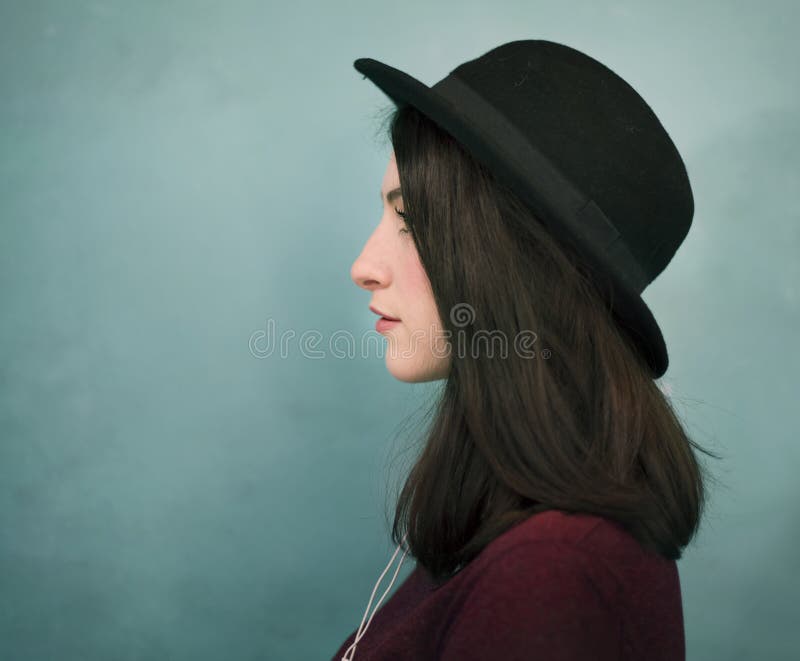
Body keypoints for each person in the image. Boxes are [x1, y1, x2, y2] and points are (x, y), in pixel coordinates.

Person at [334, 39, 720, 661]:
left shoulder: (552, 572)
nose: (363, 267)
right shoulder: (512, 523)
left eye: (411, 222)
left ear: (517, 263)